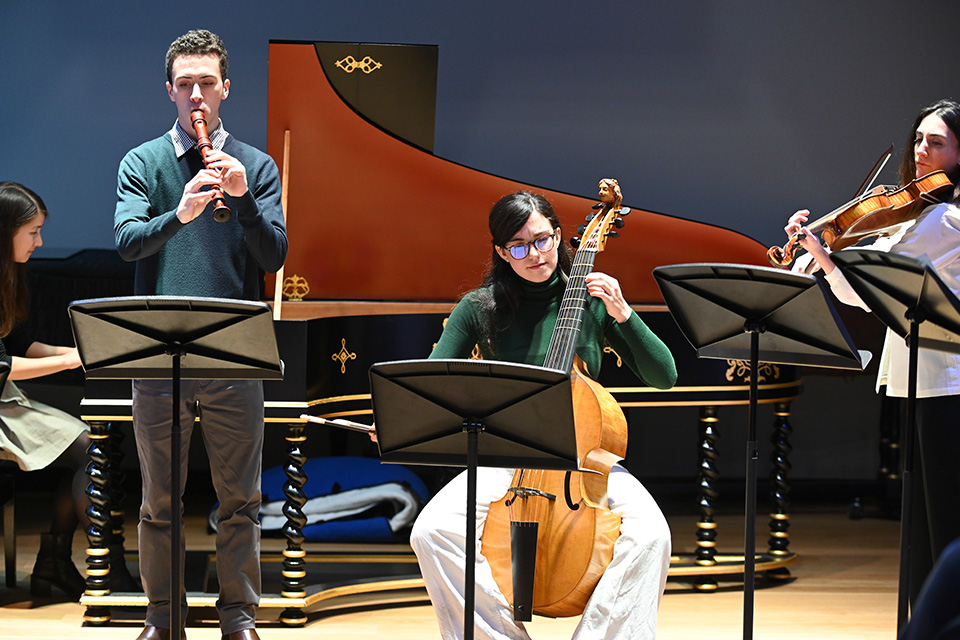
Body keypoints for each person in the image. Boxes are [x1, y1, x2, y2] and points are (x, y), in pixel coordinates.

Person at [408, 189, 678, 640]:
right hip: (505, 457)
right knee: (432, 531)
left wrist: (624, 312)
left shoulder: (592, 301)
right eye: (518, 246)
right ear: (500, 252)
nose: (534, 254)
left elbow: (664, 375)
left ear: (559, 236)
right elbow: (434, 385)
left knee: (652, 535)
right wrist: (409, 419)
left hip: (583, 462)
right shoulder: (479, 308)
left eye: (543, 240)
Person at [114, 30, 287, 640]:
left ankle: (238, 618)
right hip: (159, 353)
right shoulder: (143, 162)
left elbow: (274, 256)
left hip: (232, 352)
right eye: (184, 84)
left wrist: (241, 200)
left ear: (225, 88)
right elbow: (128, 241)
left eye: (206, 83)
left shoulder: (256, 165)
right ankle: (164, 619)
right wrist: (181, 212)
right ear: (169, 90)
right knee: (158, 500)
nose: (196, 95)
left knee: (240, 499)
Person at [784, 98, 960, 604]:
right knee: (923, 519)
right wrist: (821, 250)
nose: (922, 150)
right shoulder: (916, 214)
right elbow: (861, 289)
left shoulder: (944, 220)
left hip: (946, 375)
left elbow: (873, 271)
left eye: (938, 142)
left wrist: (826, 247)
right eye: (920, 139)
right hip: (917, 373)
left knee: (944, 517)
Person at [0, 182, 138, 599]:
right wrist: (68, 360)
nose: (40, 242)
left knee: (95, 444)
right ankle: (103, 568)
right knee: (90, 449)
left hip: (5, 400)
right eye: (33, 232)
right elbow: (2, 366)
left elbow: (17, 343)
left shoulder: (8, 274)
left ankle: (56, 563)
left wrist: (84, 351)